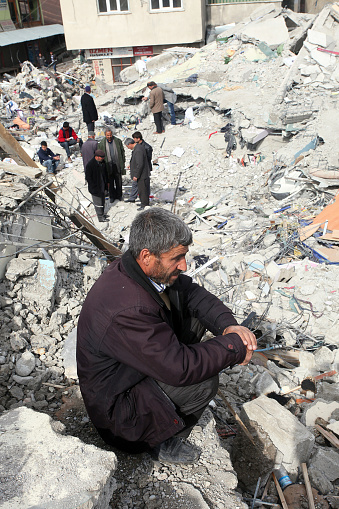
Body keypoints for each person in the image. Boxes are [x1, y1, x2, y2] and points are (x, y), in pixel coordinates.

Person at [77, 208, 257, 464]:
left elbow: (193, 294)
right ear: (147, 256)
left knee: (193, 315)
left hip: (130, 373)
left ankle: (161, 412)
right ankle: (157, 440)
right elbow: (181, 368)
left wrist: (229, 327)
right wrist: (234, 347)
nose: (184, 265)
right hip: (119, 416)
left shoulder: (139, 270)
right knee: (204, 382)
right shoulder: (128, 308)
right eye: (177, 258)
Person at [98, 128, 125, 203]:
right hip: (108, 166)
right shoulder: (102, 143)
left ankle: (119, 195)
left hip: (117, 164)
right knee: (110, 181)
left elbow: (122, 152)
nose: (109, 136)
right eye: (107, 135)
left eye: (110, 135)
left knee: (118, 181)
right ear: (105, 135)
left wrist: (123, 162)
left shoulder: (117, 141)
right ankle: (112, 196)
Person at [127, 131, 153, 203]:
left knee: (144, 186)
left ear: (138, 138)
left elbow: (145, 160)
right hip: (139, 168)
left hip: (143, 170)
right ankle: (134, 198)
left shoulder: (146, 147)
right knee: (136, 184)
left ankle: (144, 201)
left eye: (134, 138)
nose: (133, 140)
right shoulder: (137, 147)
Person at [124, 137, 150, 210]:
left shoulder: (138, 150)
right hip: (142, 173)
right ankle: (143, 203)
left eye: (127, 146)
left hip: (142, 174)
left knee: (143, 190)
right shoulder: (138, 147)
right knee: (142, 189)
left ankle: (144, 204)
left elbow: (140, 164)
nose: (128, 148)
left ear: (129, 144)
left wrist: (136, 175)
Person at [85, 150, 108, 223]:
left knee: (102, 202)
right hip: (95, 188)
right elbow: (88, 178)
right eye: (101, 157)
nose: (103, 159)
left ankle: (103, 214)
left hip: (102, 186)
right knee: (98, 203)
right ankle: (100, 217)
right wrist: (94, 187)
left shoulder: (102, 163)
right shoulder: (90, 165)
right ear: (97, 157)